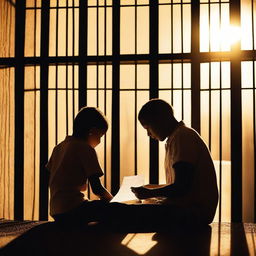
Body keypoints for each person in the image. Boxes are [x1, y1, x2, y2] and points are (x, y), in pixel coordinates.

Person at [130, 98, 219, 226]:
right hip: (191, 209)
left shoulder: (183, 137)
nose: (148, 134)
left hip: (194, 212)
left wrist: (151, 193)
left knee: (126, 212)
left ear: (159, 120)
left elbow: (181, 187)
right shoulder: (177, 137)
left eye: (148, 128)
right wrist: (152, 189)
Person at [46, 106, 113, 227]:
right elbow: (97, 188)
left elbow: (53, 177)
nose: (100, 141)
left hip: (56, 211)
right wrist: (113, 200)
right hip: (74, 209)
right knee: (115, 209)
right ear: (92, 131)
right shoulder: (85, 148)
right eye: (100, 136)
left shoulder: (59, 147)